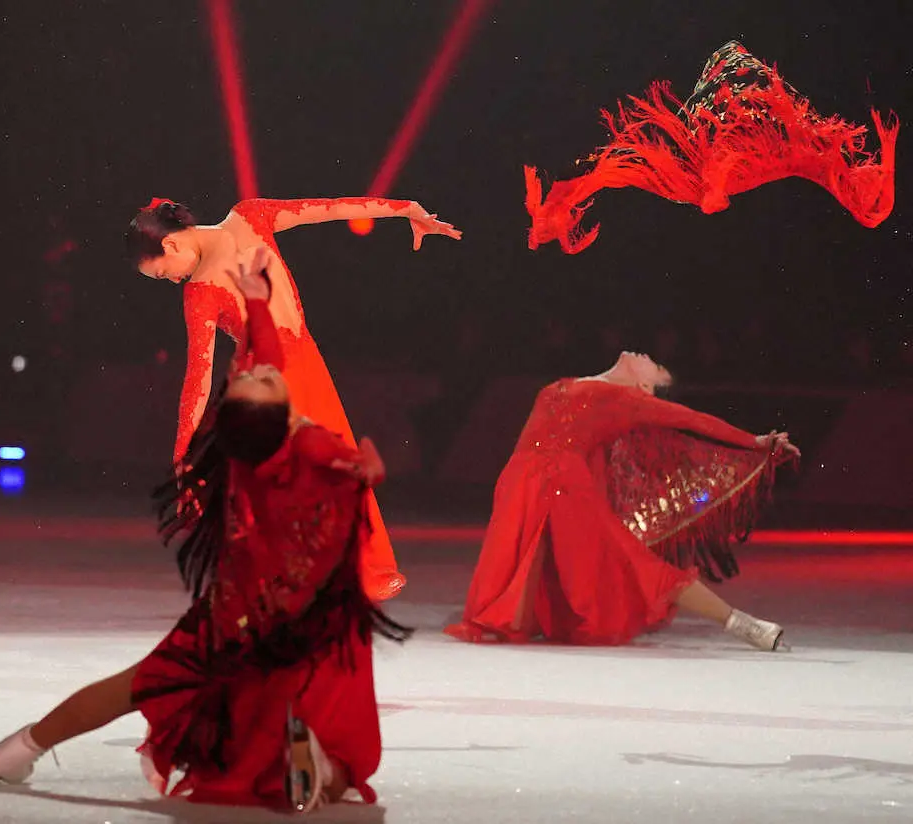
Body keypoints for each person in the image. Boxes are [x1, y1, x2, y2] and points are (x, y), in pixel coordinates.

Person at [0, 253, 411, 813]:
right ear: (279, 417)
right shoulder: (306, 445)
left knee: (136, 686)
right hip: (306, 619)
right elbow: (337, 456)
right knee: (328, 723)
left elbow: (266, 366)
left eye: (249, 378)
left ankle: (15, 750)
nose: (259, 371)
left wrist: (255, 302)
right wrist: (364, 468)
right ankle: (320, 763)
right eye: (260, 381)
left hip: (232, 617)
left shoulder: (242, 450)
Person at [126, 195, 462, 601]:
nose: (173, 281)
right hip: (292, 370)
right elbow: (334, 209)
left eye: (164, 274)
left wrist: (182, 458)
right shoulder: (249, 216)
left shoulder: (201, 290)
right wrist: (406, 208)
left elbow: (198, 379)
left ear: (170, 244)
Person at [445, 352, 800, 651]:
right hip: (520, 480)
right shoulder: (569, 382)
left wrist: (755, 442)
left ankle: (741, 623)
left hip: (564, 487)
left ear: (645, 386)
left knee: (634, 562)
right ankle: (522, 621)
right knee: (532, 560)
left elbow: (695, 420)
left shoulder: (629, 400)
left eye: (656, 366)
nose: (648, 357)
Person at [524, 40, 898, 255]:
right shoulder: (683, 165)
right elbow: (606, 162)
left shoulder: (682, 164)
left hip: (714, 148)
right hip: (718, 148)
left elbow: (608, 161)